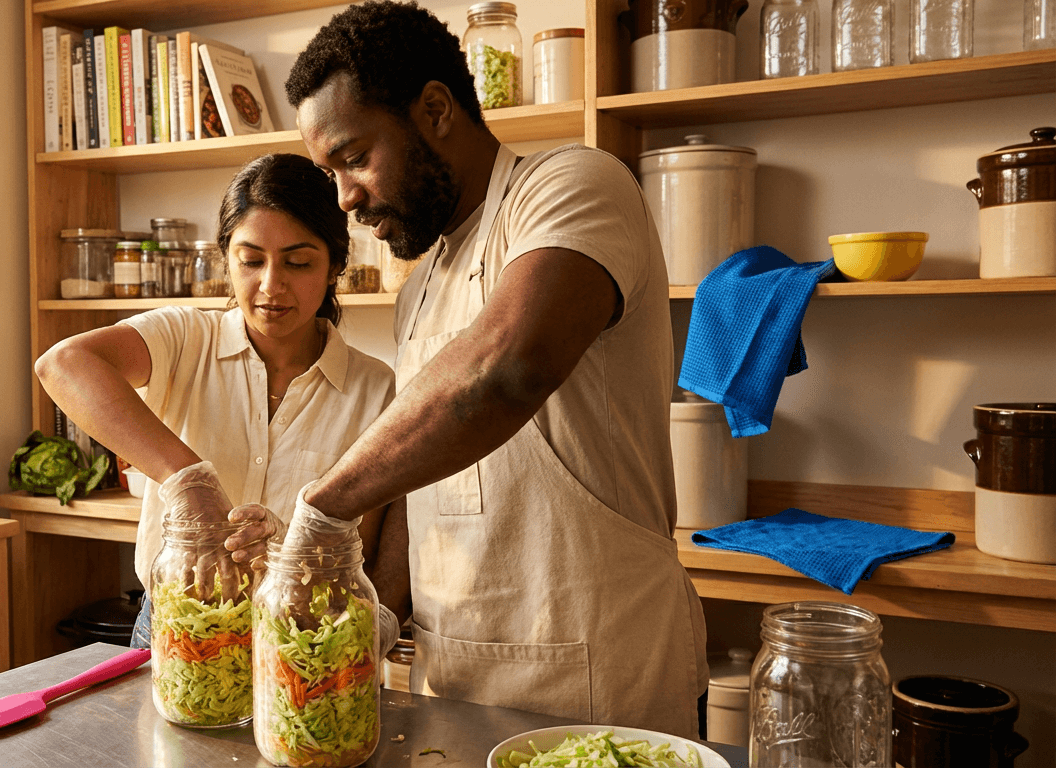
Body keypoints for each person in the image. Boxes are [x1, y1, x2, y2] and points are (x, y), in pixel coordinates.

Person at [274, 0, 709, 738]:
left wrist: (326, 507)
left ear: (436, 109)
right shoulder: (418, 290)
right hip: (458, 681)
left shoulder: (570, 185)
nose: (344, 198)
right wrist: (377, 612)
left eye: (353, 158)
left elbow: (505, 369)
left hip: (600, 680)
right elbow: (428, 483)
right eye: (329, 171)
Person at [34, 153, 407, 649]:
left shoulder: (377, 390)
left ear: (336, 264)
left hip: (301, 648)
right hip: (175, 630)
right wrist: (189, 482)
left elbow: (370, 551)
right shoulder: (185, 337)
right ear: (225, 258)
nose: (271, 286)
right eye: (251, 261)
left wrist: (289, 562)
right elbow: (62, 365)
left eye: (298, 262)